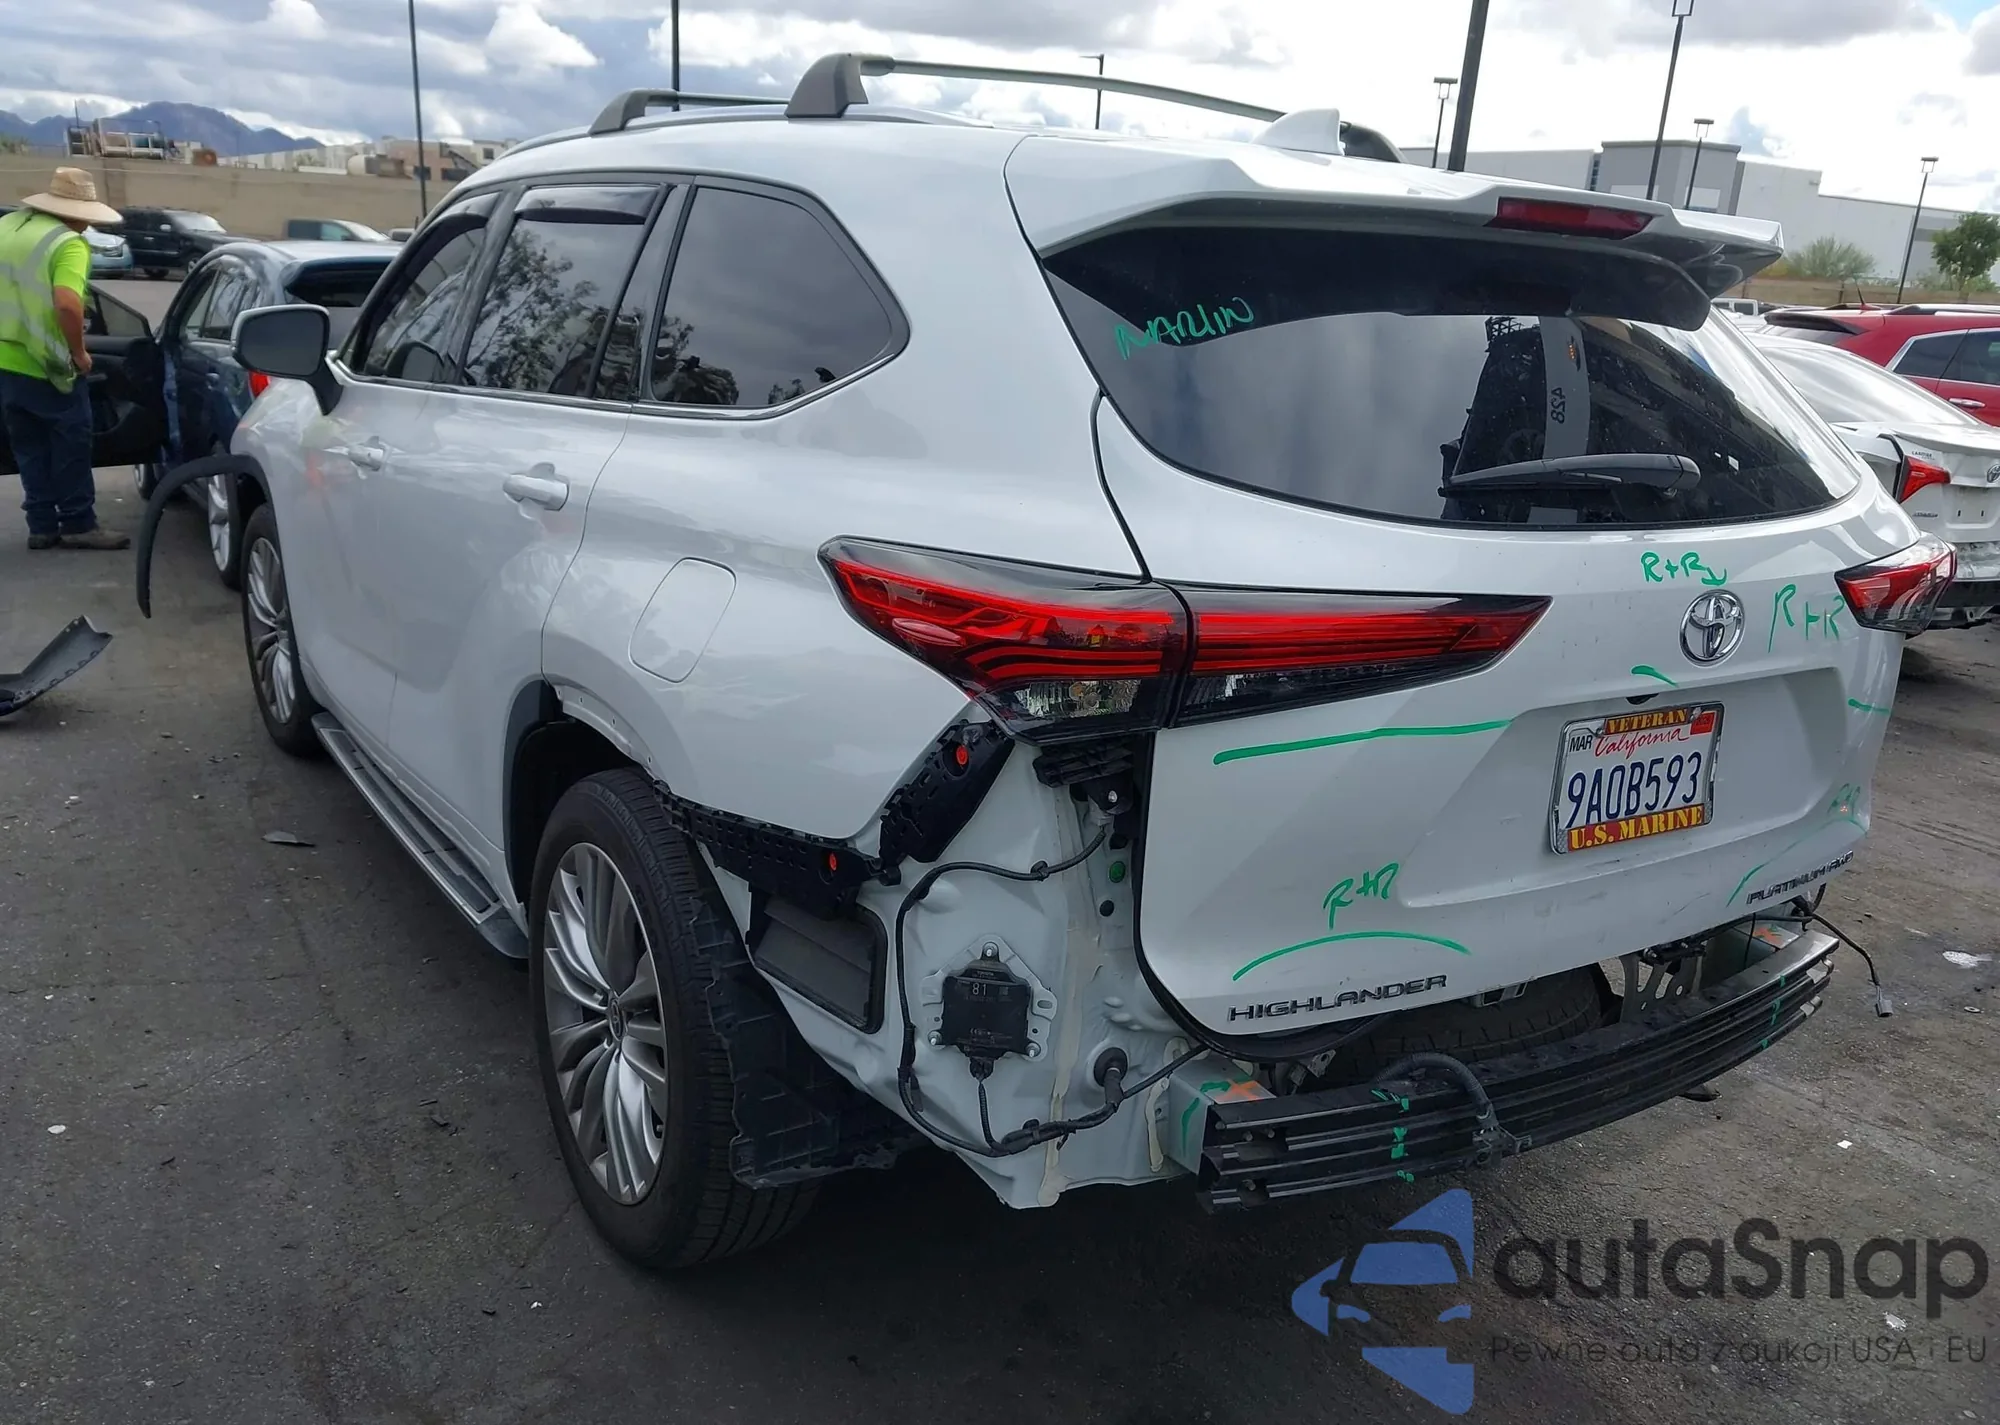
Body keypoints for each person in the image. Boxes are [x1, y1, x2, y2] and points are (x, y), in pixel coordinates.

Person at [0, 166, 130, 550]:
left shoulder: (8, 226)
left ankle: (41, 526)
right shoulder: (68, 244)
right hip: (48, 364)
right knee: (71, 443)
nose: (87, 226)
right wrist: (79, 352)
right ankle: (77, 522)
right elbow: (68, 305)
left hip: (5, 361)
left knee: (29, 447)